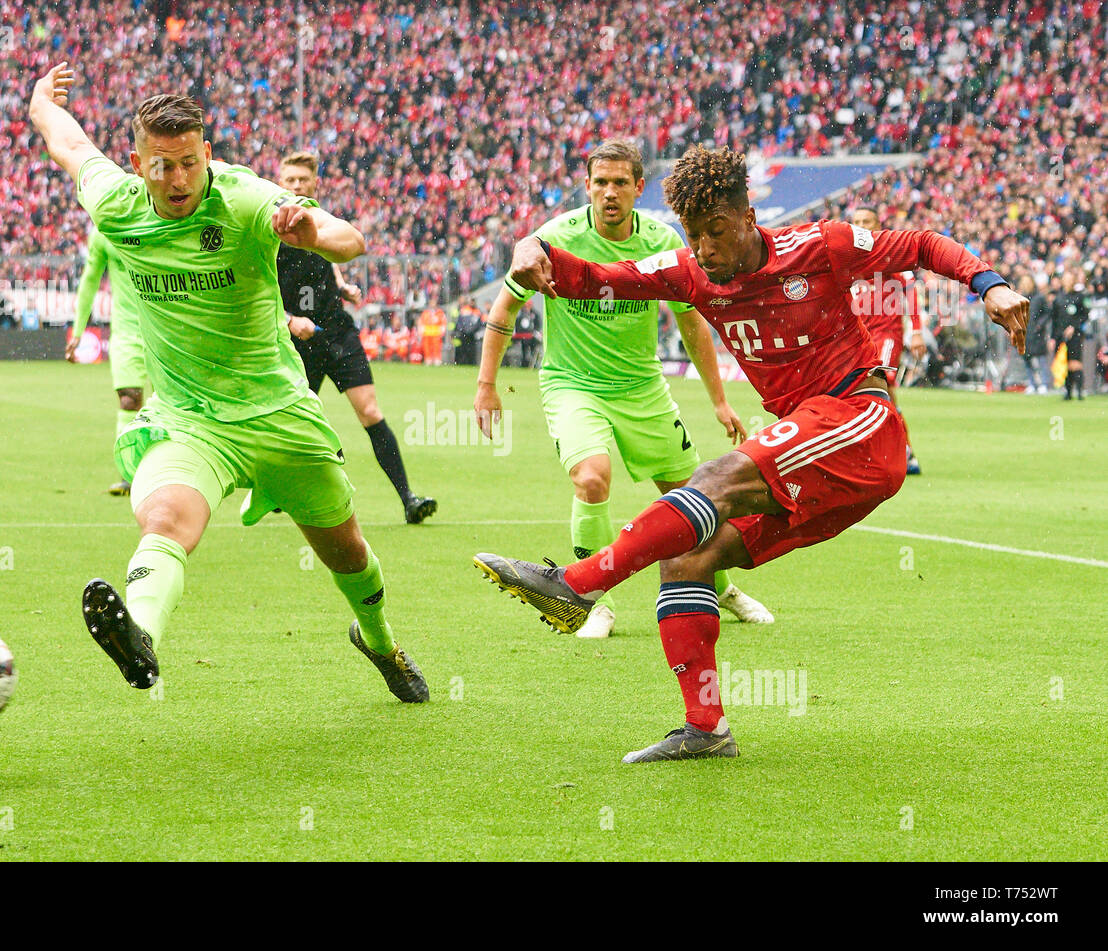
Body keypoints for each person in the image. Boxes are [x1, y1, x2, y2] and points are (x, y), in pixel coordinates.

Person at [475, 146, 1027, 761]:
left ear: (748, 215)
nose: (706, 249)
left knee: (716, 476)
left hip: (860, 422)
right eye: (694, 234)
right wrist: (534, 251)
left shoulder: (821, 245)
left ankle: (575, 585)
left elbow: (923, 244)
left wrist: (991, 284)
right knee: (687, 556)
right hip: (814, 458)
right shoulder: (689, 272)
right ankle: (706, 730)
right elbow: (597, 279)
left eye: (716, 231)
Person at [28, 63, 428, 703]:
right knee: (163, 516)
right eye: (160, 165)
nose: (176, 178)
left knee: (347, 552)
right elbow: (70, 146)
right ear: (138, 162)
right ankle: (142, 636)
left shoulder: (243, 197)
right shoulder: (116, 203)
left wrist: (308, 232)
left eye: (188, 162)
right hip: (191, 419)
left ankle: (379, 640)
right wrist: (41, 103)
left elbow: (346, 239)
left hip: (278, 414)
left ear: (206, 154)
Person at [474, 139, 773, 639]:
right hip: (574, 385)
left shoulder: (662, 241)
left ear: (639, 187)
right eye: (600, 183)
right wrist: (486, 386)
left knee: (691, 497)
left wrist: (719, 400)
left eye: (619, 183)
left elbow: (693, 324)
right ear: (587, 187)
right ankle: (591, 603)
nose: (609, 193)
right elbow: (504, 308)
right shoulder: (555, 238)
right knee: (592, 478)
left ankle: (721, 590)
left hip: (642, 387)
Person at [275, 151, 436, 524]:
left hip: (336, 331)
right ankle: (277, 487)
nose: (297, 186)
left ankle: (408, 500)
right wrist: (289, 320)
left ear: (315, 184)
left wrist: (341, 285)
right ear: (279, 183)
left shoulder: (323, 222)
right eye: (290, 180)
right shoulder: (269, 234)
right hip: (297, 341)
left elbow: (329, 255)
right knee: (293, 421)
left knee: (370, 412)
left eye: (303, 180)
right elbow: (256, 296)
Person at [67, 223, 152, 495]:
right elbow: (90, 278)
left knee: (175, 401)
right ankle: (130, 475)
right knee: (129, 397)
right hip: (127, 330)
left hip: (168, 327)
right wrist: (78, 330)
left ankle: (174, 473)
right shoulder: (104, 229)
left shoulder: (164, 216)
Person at [850, 207, 926, 474]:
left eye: (866, 221)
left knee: (879, 382)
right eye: (856, 221)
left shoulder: (888, 252)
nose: (860, 225)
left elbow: (909, 290)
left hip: (886, 335)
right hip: (857, 338)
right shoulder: (846, 256)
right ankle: (902, 452)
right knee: (869, 394)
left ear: (877, 224)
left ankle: (895, 452)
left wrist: (916, 330)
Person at [1050, 269, 1090, 400]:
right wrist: (1052, 338)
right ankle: (1067, 392)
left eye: (1070, 279)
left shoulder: (1080, 296)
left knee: (1075, 363)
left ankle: (1079, 391)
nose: (1068, 281)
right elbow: (1054, 320)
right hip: (1060, 336)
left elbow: (1085, 315)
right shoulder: (1058, 299)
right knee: (1064, 363)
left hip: (1075, 336)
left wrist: (1074, 326)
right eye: (1065, 279)